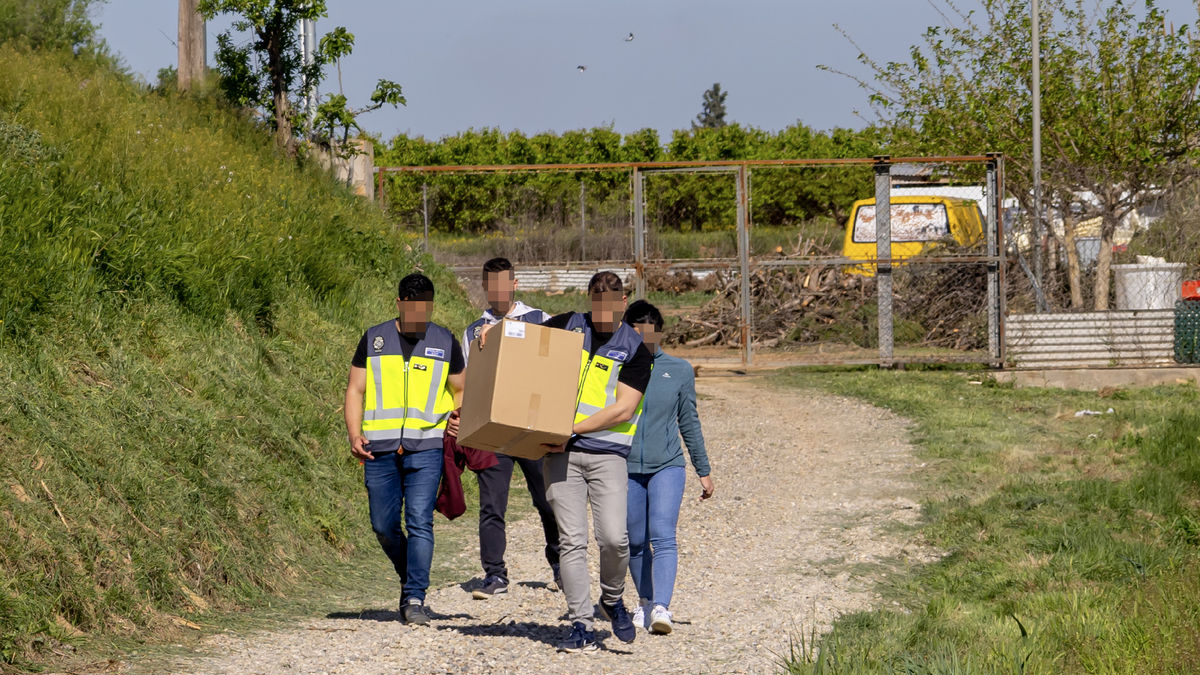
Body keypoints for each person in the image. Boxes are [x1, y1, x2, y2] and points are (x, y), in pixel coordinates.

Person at [482, 271, 652, 652]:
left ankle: (611, 598)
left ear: (624, 303)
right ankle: (580, 623)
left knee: (613, 538)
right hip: (561, 456)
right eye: (598, 305)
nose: (604, 313)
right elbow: (524, 336)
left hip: (606, 454)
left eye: (612, 305)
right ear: (591, 302)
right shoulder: (570, 326)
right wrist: (493, 333)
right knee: (572, 542)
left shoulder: (636, 350)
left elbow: (623, 409)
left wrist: (570, 428)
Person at [343, 273, 465, 625]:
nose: (418, 317)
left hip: (426, 445)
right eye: (411, 309)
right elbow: (355, 390)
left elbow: (461, 388)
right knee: (382, 525)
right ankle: (410, 570)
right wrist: (354, 434)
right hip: (378, 448)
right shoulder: (374, 338)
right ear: (398, 304)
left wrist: (458, 416)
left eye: (424, 309)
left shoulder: (445, 340)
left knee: (419, 521)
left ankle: (414, 597)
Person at [459, 257, 562, 599]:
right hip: (493, 432)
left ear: (514, 285)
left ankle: (561, 565)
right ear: (486, 287)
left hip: (532, 428)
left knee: (548, 501)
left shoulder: (541, 320)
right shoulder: (473, 331)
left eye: (506, 284)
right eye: (493, 285)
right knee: (492, 505)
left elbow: (554, 365)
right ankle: (494, 574)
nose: (499, 291)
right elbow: (470, 382)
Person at [622, 300, 714, 636]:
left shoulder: (678, 370)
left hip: (667, 466)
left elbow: (689, 420)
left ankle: (661, 606)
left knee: (662, 535)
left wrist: (702, 468)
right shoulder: (615, 367)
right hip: (626, 466)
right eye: (635, 333)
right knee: (634, 539)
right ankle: (644, 602)